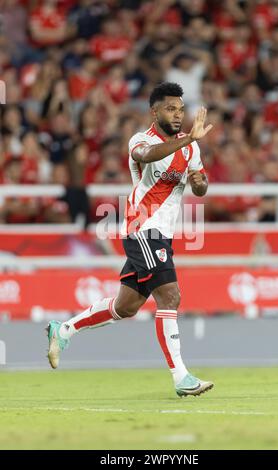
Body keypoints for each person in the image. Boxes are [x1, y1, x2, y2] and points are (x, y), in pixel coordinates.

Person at [46, 82, 214, 397]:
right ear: (155, 111)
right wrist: (187, 140)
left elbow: (201, 188)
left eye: (180, 109)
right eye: (170, 109)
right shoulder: (141, 140)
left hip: (162, 234)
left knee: (126, 306)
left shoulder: (191, 146)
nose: (177, 115)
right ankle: (181, 377)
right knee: (170, 297)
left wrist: (199, 180)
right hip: (143, 229)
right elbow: (149, 156)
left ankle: (64, 329)